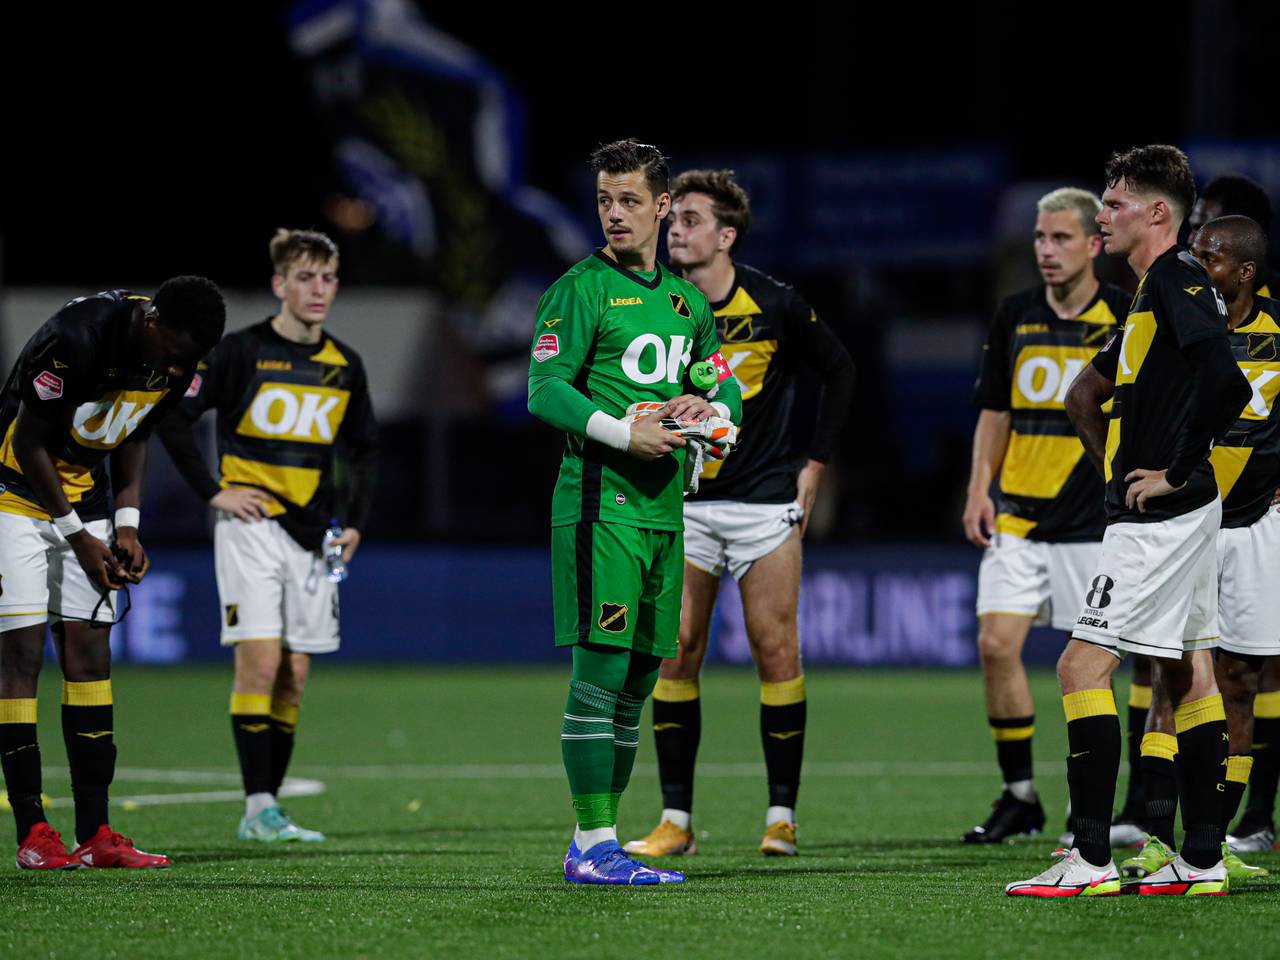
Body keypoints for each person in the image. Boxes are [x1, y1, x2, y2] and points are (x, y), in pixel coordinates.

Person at [1006, 145, 1251, 898]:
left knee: (1080, 667)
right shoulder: (1158, 290)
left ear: (1154, 213)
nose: (1101, 214)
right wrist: (1125, 466)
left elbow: (1228, 381)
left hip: (1163, 517)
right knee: (1188, 670)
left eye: (1112, 204)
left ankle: (1088, 858)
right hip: (1181, 512)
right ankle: (1203, 861)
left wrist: (1172, 470)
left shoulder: (1175, 279)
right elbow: (1092, 396)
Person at [621, 169, 854, 859]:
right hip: (683, 507)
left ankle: (781, 816)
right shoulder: (649, 305)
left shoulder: (775, 303)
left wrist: (816, 465)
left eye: (689, 219)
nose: (674, 230)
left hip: (763, 504)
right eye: (673, 220)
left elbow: (839, 369)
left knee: (775, 648)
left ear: (725, 235)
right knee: (678, 650)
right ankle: (676, 821)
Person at [527, 140, 742, 885]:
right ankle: (592, 842)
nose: (613, 214)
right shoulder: (578, 289)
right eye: (603, 201)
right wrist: (627, 432)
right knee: (601, 673)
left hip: (663, 513)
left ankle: (601, 844)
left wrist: (714, 416)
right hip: (599, 507)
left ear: (660, 209)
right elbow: (546, 389)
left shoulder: (685, 303)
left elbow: (725, 385)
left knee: (640, 680)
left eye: (627, 201)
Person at [157, 230, 377, 843]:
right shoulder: (241, 352)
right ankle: (257, 807)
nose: (318, 290)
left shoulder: (344, 364)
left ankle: (269, 807)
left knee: (295, 673)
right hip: (248, 527)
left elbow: (364, 450)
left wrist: (355, 519)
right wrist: (213, 492)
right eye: (305, 278)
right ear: (279, 283)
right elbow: (173, 418)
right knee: (261, 661)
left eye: (328, 278)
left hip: (314, 534)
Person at [0, 278, 225, 869]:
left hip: (88, 505)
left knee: (90, 658)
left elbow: (136, 428)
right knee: (21, 656)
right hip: (13, 498)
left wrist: (126, 523)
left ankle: (96, 833)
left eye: (189, 360)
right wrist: (77, 536)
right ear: (151, 322)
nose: (177, 369)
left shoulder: (173, 357)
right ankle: (33, 832)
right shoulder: (76, 339)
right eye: (174, 354)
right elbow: (27, 442)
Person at [962, 188, 1130, 844]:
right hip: (1020, 518)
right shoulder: (1015, 316)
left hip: (1092, 523)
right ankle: (1020, 795)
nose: (1046, 251)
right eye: (1039, 238)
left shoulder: (1124, 315)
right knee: (995, 645)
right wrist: (980, 489)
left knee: (1093, 665)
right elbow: (995, 411)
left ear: (1094, 244)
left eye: (1061, 239)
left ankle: (1096, 806)